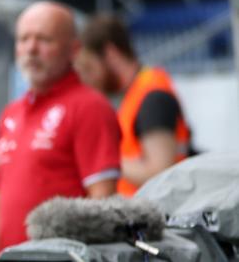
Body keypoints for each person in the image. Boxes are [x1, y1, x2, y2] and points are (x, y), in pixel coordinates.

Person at [0, 1, 121, 262]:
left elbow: (102, 204)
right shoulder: (12, 114)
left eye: (44, 39)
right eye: (23, 39)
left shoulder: (91, 107)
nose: (31, 49)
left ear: (73, 49)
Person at [75, 14, 191, 197]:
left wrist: (104, 158)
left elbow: (160, 172)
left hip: (154, 215)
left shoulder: (153, 96)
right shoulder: (137, 93)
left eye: (90, 68)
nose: (88, 80)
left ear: (111, 54)